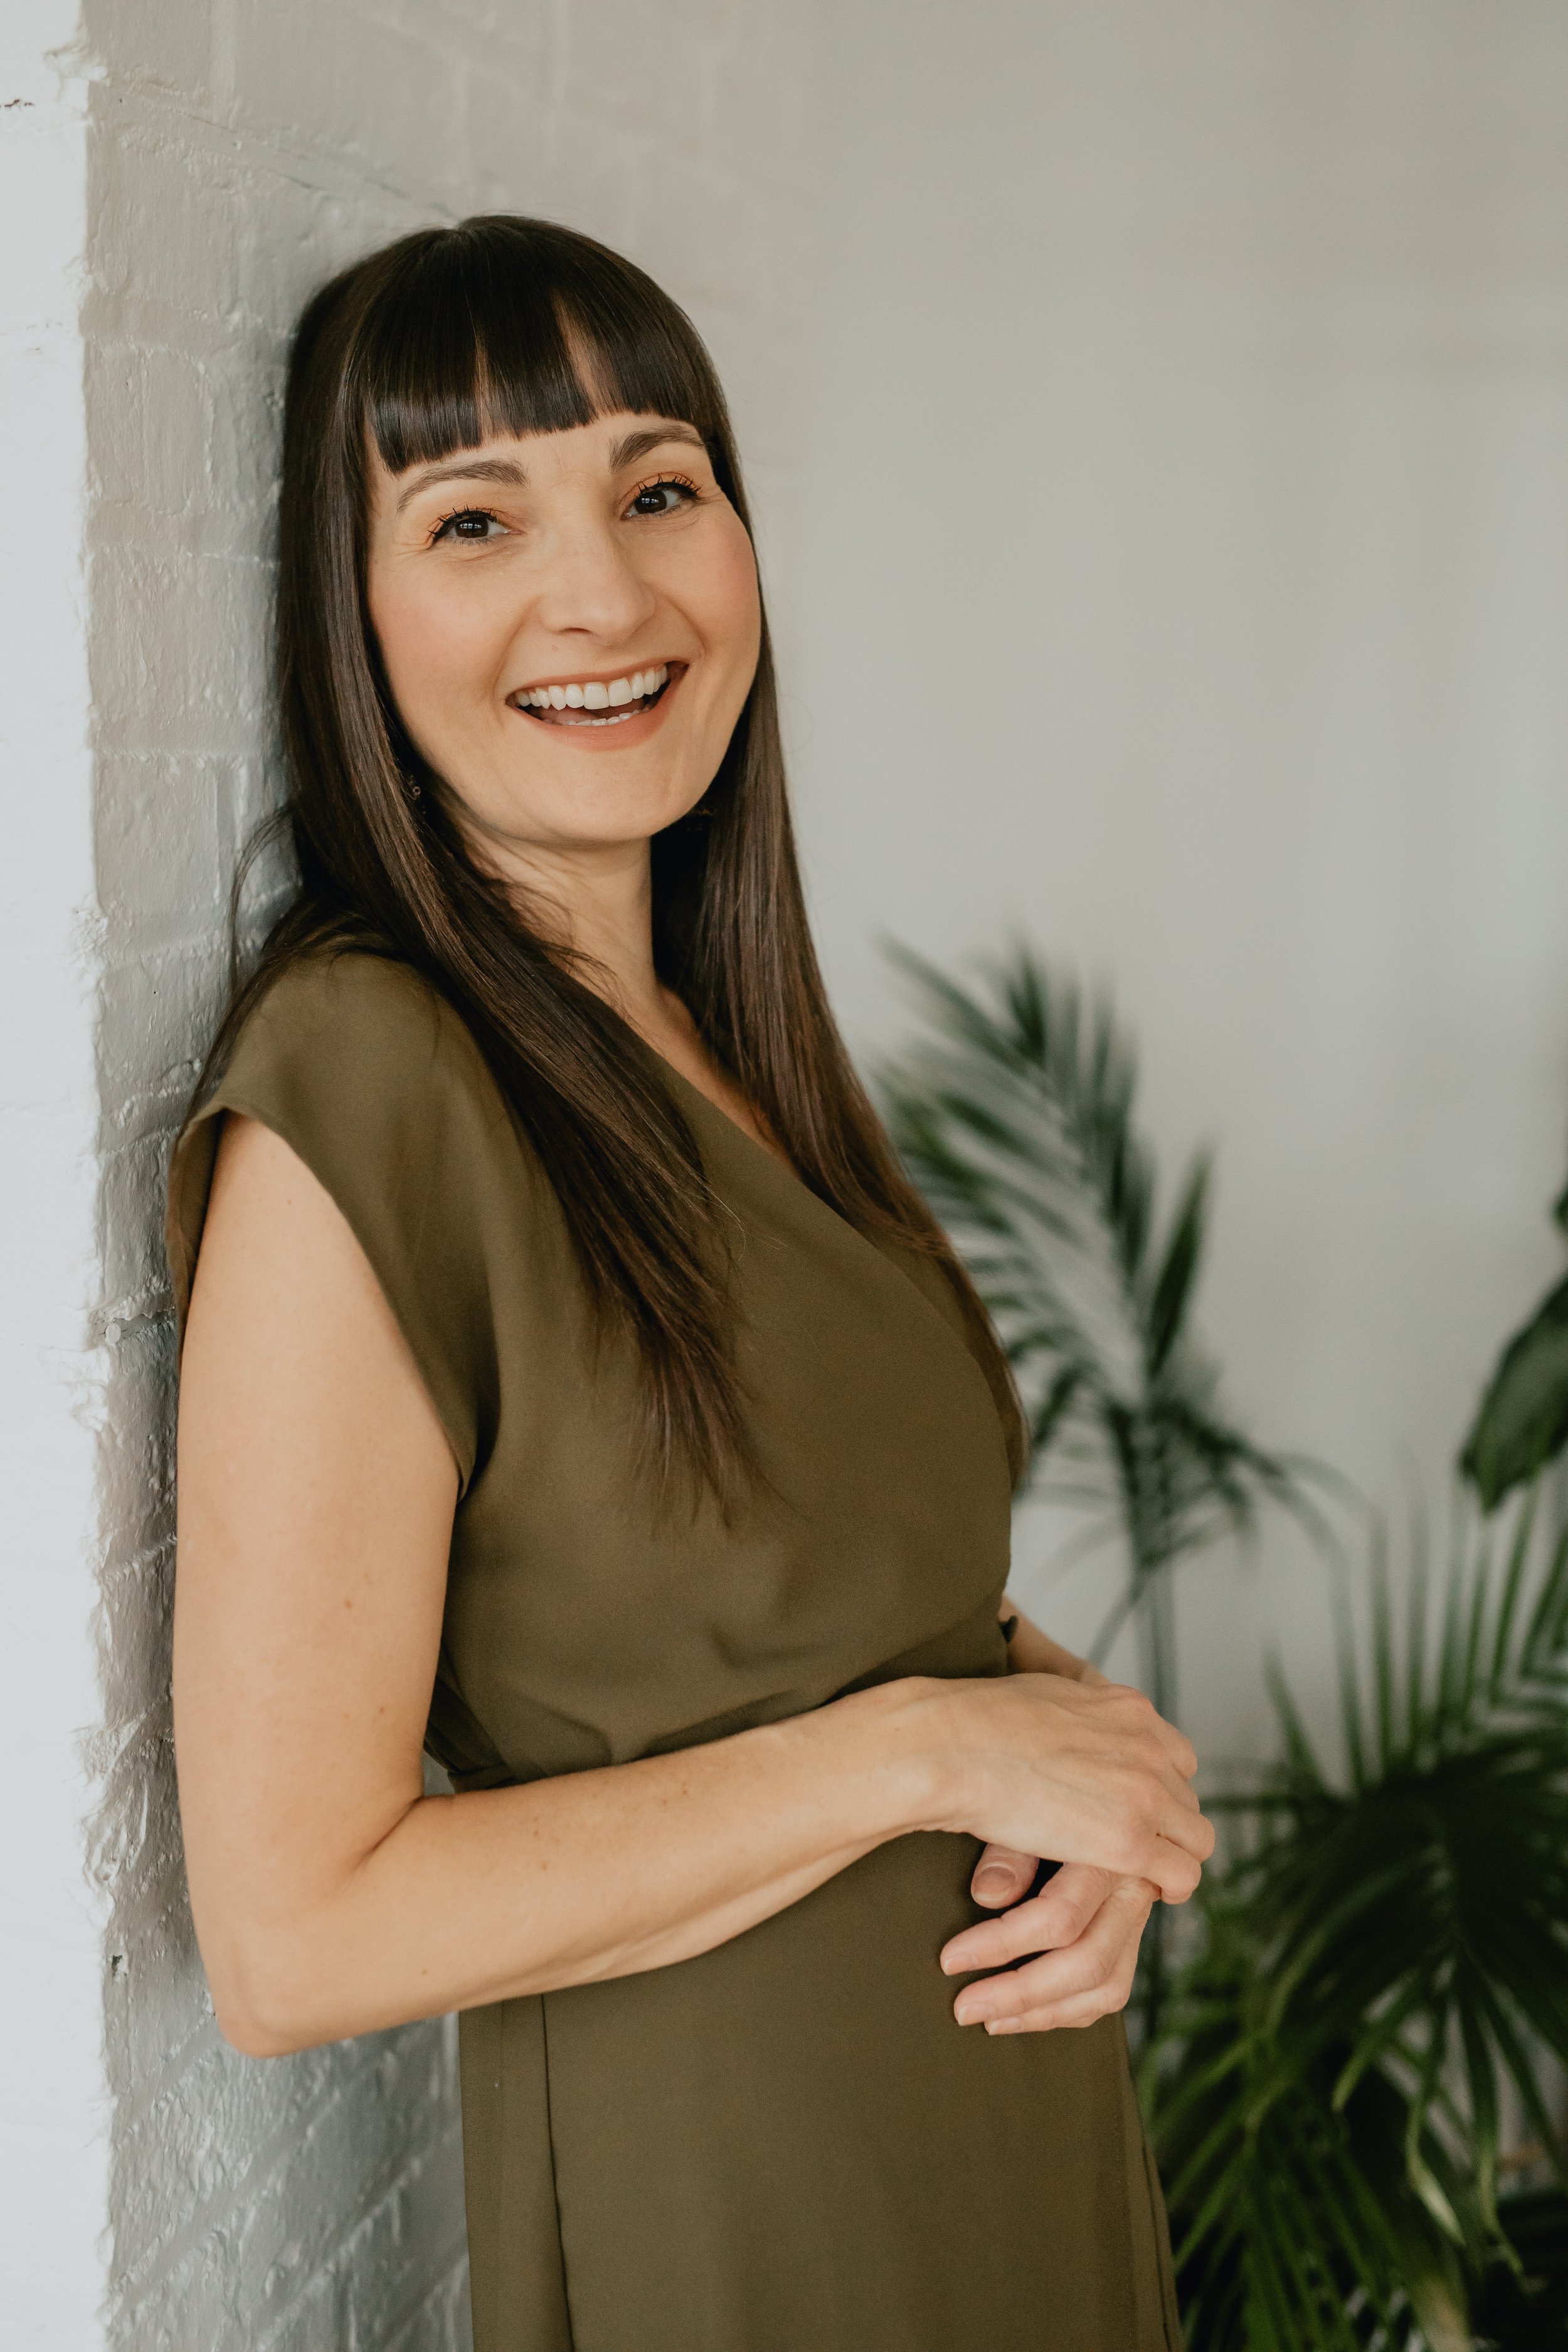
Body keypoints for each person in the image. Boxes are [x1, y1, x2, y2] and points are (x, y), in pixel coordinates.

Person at [167, 215, 1210, 2352]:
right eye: (474, 518)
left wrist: (1081, 1752)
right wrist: (930, 1754)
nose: (606, 595)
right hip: (740, 2214)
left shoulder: (735, 1054)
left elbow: (842, 1576)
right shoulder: (368, 1084)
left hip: (1000, 2159)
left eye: (660, 488)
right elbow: (296, 1937)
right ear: (351, 615)